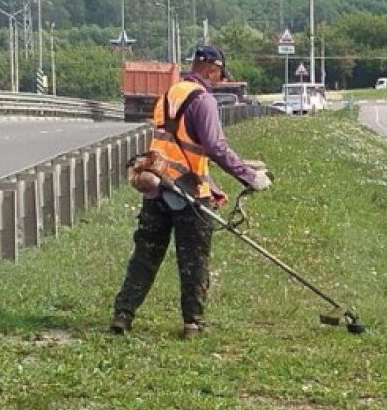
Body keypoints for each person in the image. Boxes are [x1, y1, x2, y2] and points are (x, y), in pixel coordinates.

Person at [110, 44, 271, 338]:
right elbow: (214, 146)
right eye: (220, 75)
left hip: (156, 184)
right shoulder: (203, 100)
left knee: (145, 256)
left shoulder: (170, 93)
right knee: (193, 259)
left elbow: (181, 143)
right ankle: (192, 323)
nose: (220, 81)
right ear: (211, 68)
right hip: (189, 193)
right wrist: (249, 177)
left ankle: (123, 315)